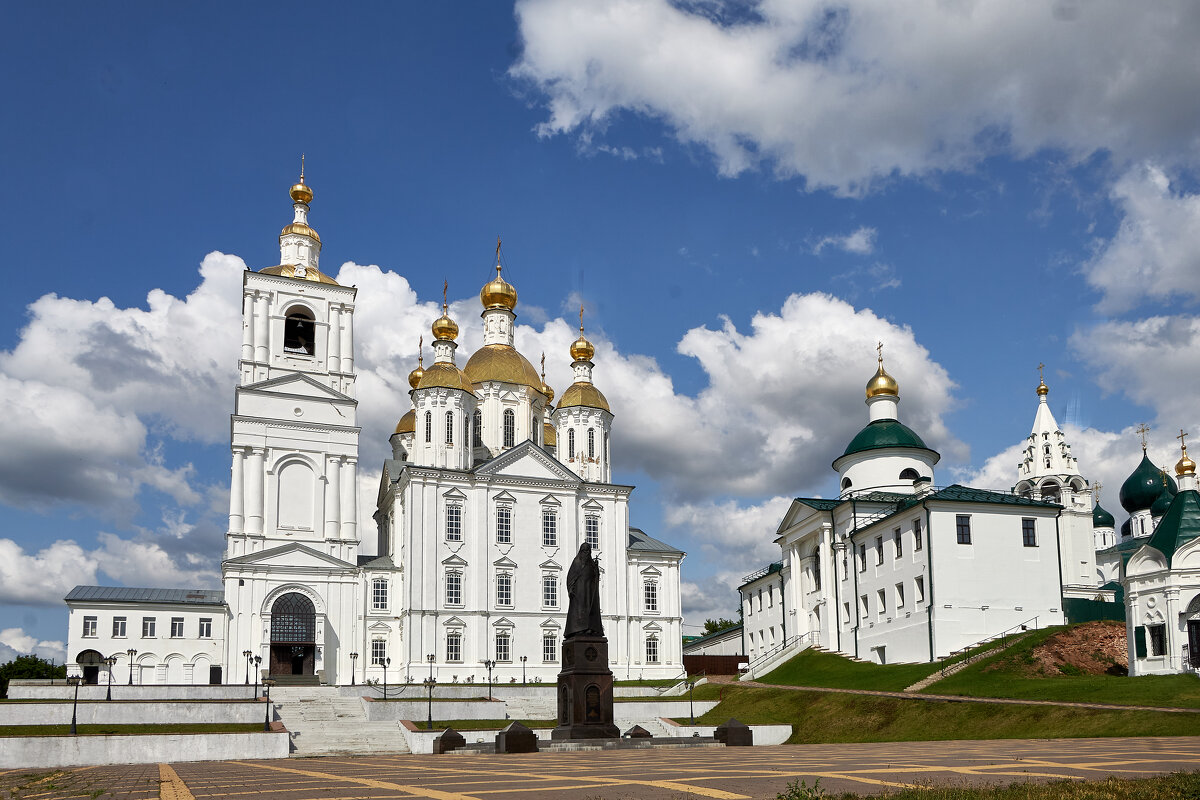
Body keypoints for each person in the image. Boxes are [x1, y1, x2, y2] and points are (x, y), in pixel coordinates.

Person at [565, 542, 603, 639]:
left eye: (588, 551)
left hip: (590, 593)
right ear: (581, 551)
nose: (586, 553)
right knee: (579, 611)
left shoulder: (591, 563)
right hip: (579, 593)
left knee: (590, 610)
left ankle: (591, 628)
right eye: (584, 551)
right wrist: (570, 589)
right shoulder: (576, 562)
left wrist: (596, 568)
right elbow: (570, 576)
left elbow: (596, 577)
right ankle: (578, 629)